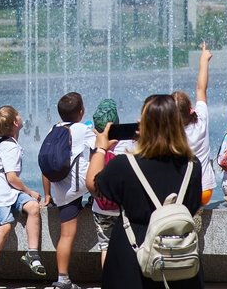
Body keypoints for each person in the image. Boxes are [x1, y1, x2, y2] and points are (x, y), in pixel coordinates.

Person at [86, 94, 203, 289]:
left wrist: (100, 149)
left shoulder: (125, 165)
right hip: (177, 254)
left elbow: (93, 184)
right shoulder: (193, 166)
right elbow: (193, 205)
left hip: (132, 252)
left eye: (143, 117)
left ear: (146, 126)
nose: (138, 120)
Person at [0, 105, 46, 289]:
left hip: (8, 191)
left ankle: (32, 254)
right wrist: (30, 191)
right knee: (5, 226)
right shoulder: (10, 147)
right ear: (16, 122)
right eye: (18, 115)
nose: (21, 116)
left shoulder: (8, 144)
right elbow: (11, 177)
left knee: (33, 208)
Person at [42, 92, 94, 289]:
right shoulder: (82, 129)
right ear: (81, 112)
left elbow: (45, 164)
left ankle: (63, 278)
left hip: (61, 191)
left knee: (65, 235)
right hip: (80, 186)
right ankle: (99, 201)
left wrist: (48, 194)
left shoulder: (53, 129)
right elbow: (101, 145)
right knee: (101, 160)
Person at [88, 98, 135, 268]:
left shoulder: (94, 145)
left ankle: (108, 281)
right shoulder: (127, 144)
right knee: (129, 245)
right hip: (123, 206)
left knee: (105, 247)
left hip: (101, 207)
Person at [173, 42, 215, 205]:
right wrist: (204, 61)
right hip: (204, 191)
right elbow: (200, 89)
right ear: (191, 109)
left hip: (179, 190)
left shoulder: (169, 134)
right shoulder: (201, 121)